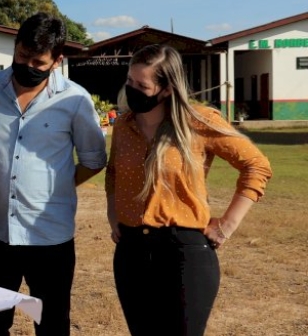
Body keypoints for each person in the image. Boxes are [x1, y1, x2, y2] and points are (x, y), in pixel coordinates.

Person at [0, 13, 108, 336]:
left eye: (39, 62)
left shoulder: (75, 100)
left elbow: (93, 159)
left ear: (57, 60)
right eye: (22, 56)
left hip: (51, 236)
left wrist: (57, 188)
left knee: (52, 325)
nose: (28, 65)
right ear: (15, 47)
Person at [105, 44, 272, 336]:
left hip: (183, 253)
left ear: (167, 88)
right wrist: (113, 215)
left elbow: (256, 166)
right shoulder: (123, 125)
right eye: (130, 81)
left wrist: (227, 225)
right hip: (131, 252)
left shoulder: (198, 121)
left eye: (142, 85)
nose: (132, 89)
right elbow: (114, 172)